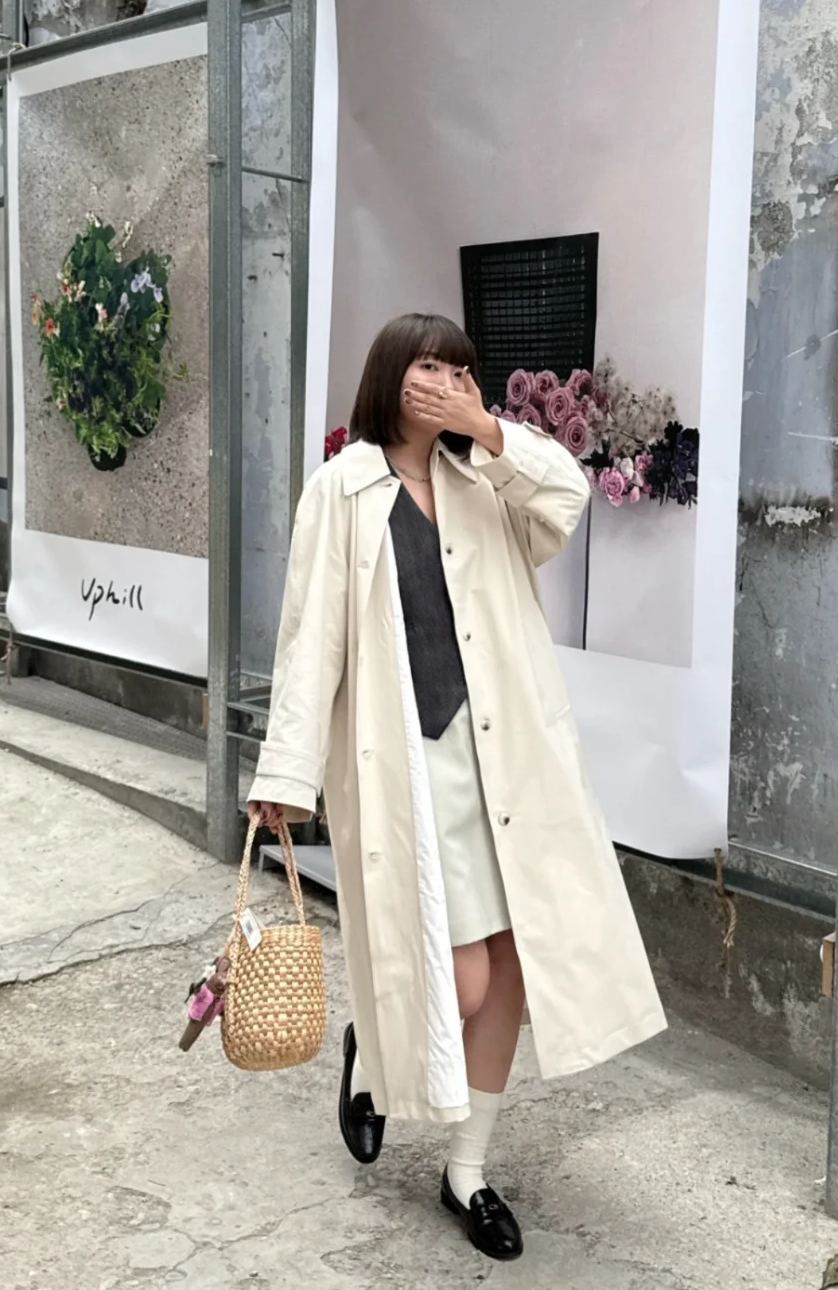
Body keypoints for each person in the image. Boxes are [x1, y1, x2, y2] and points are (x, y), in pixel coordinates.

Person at [247, 312, 665, 1261]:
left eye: (460, 370)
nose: (443, 381)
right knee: (462, 976)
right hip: (405, 759)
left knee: (513, 959)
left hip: (504, 754)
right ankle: (373, 1045)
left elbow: (568, 498)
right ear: (390, 376)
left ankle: (467, 1171)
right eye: (427, 367)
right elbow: (309, 640)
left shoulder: (488, 476)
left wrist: (486, 430)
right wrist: (286, 771)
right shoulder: (342, 489)